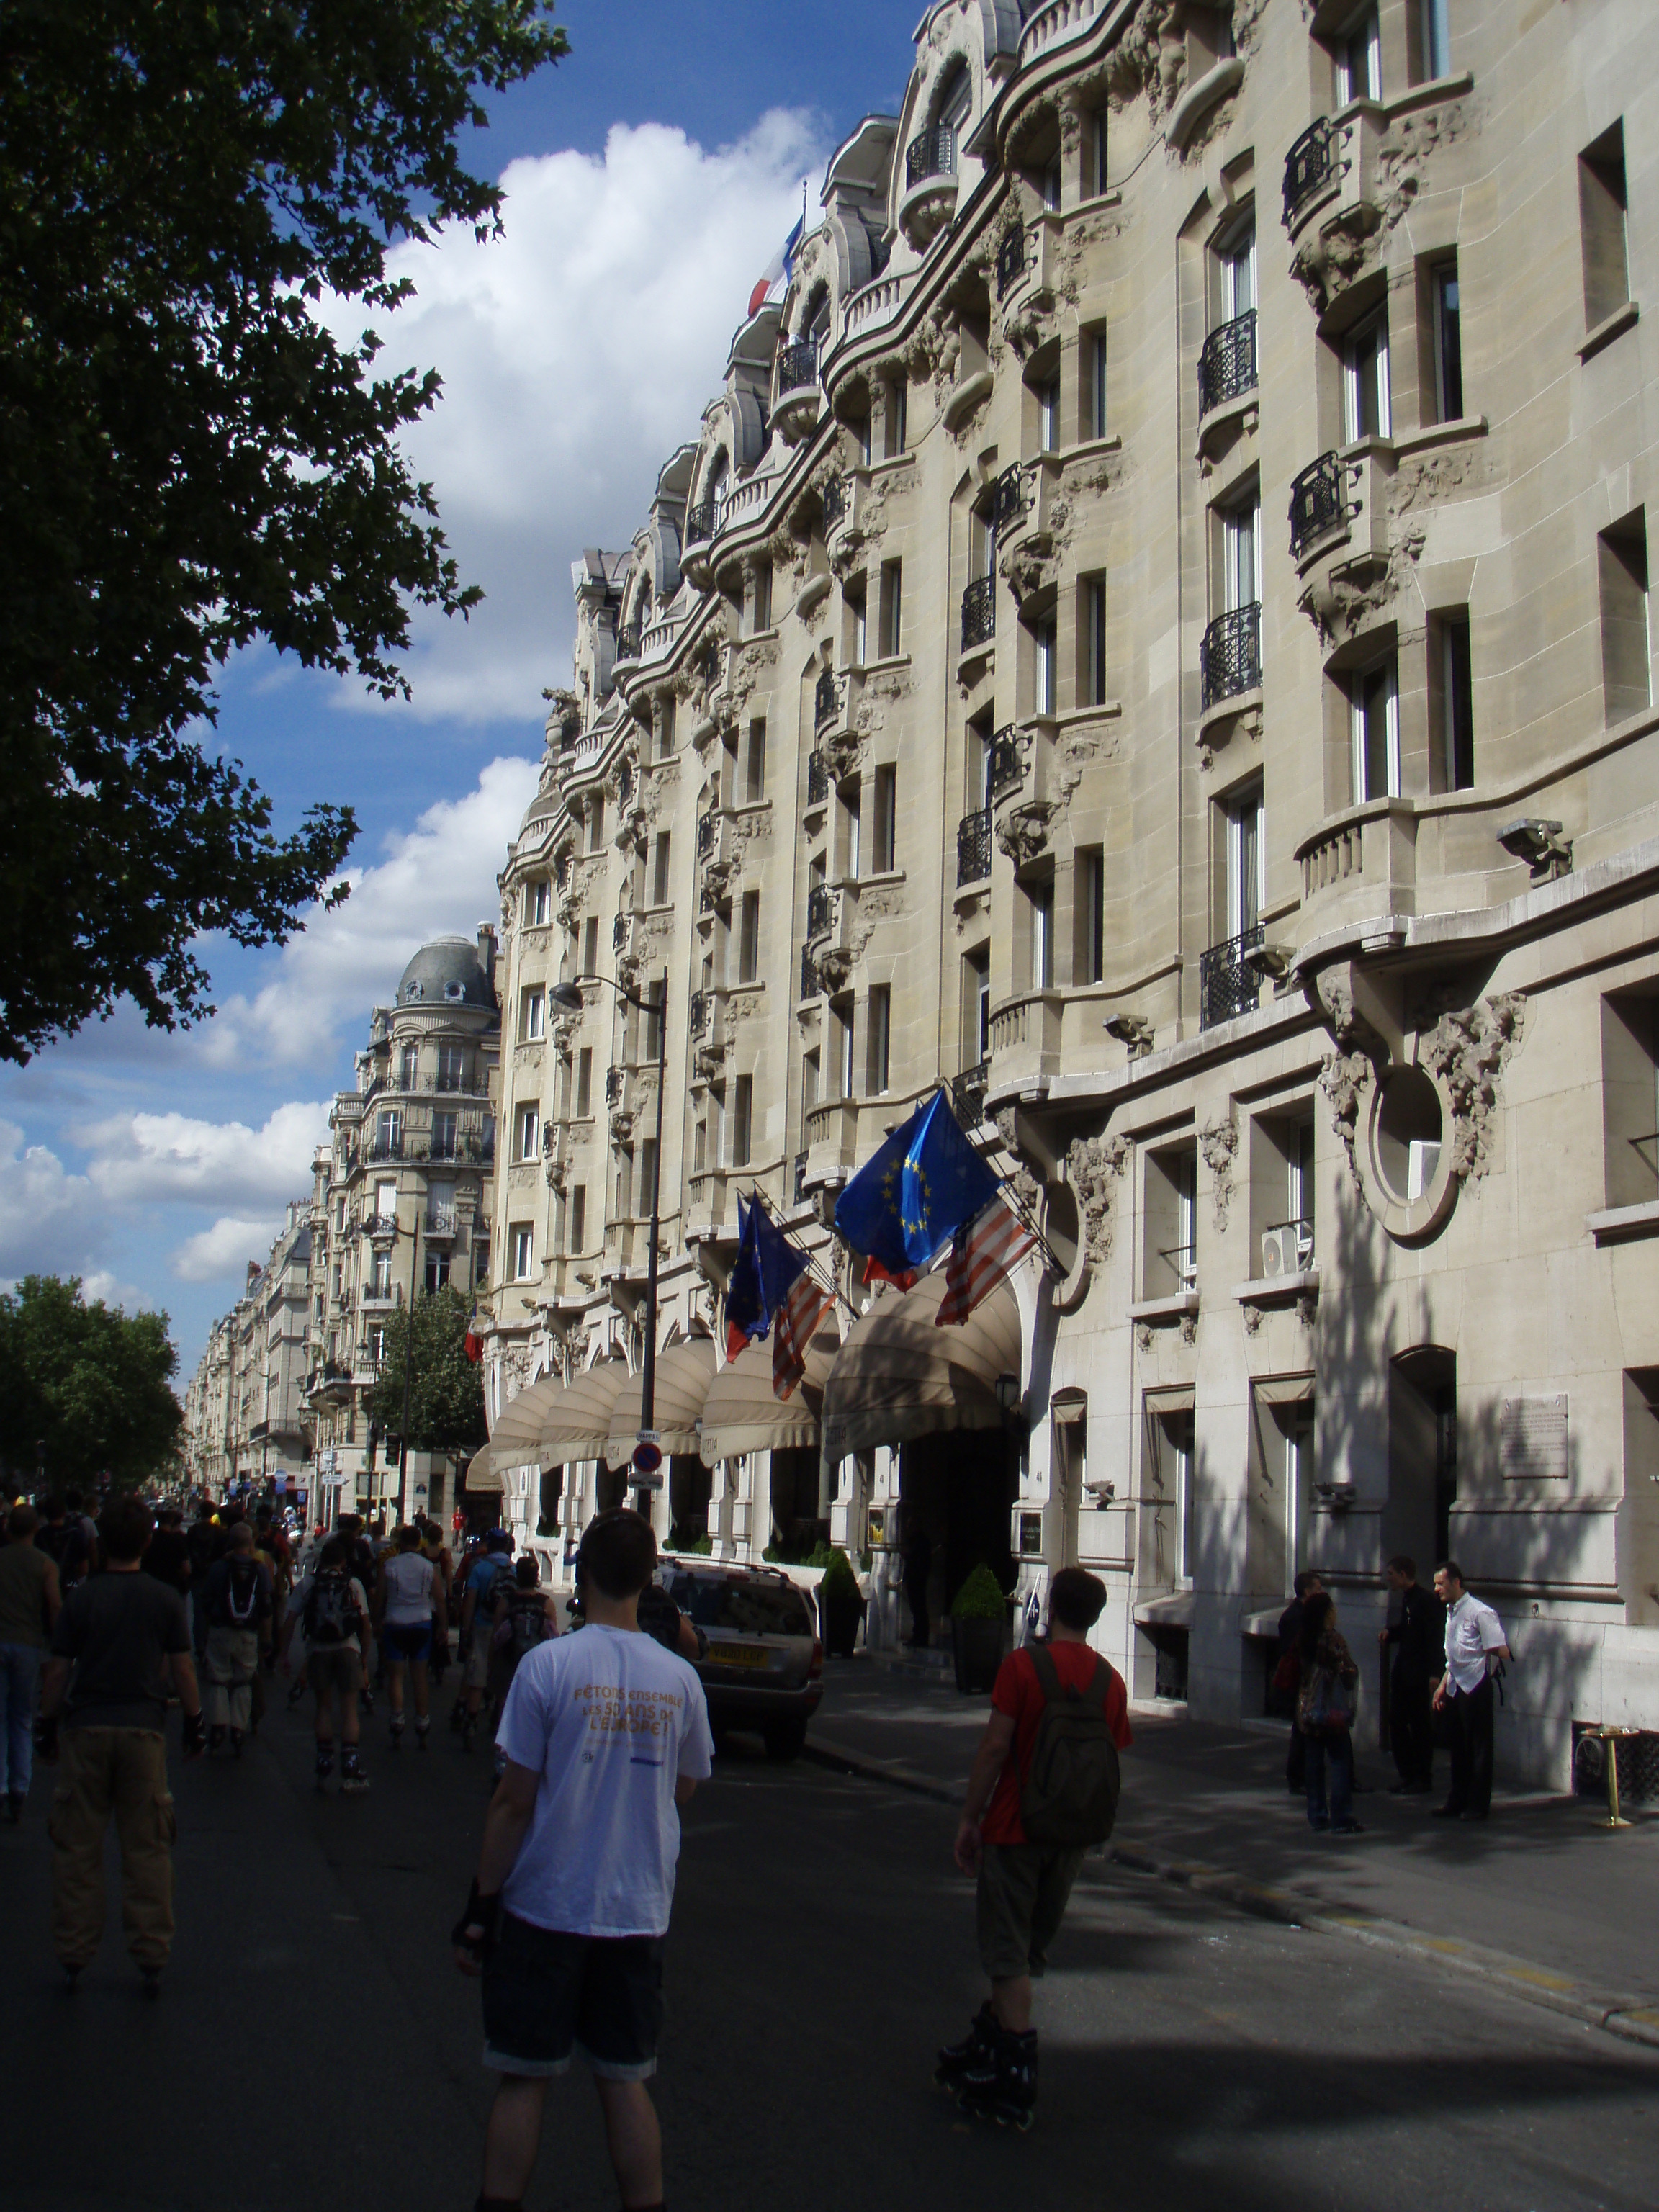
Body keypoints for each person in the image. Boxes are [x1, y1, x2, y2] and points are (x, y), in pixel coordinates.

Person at [453, 1509, 713, 2212]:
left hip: (546, 1903)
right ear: (648, 1579)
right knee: (626, 2079)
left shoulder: (548, 1667)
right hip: (636, 1907)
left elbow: (513, 1802)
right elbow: (685, 1786)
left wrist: (481, 1905)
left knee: (524, 2077)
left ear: (583, 1573)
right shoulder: (679, 1680)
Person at [939, 1567, 1131, 2131]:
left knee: (1007, 1955)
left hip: (1014, 1828)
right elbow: (1111, 1759)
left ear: (1050, 1607)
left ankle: (1014, 2074)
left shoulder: (1023, 1667)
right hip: (1070, 1836)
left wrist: (969, 1818)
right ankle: (986, 2044)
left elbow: (996, 1747)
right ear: (1094, 1616)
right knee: (1026, 1954)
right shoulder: (1111, 1682)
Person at [35, 1493, 204, 1991]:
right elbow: (183, 1668)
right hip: (143, 1730)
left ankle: (74, 1951)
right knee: (148, 1849)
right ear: (148, 1542)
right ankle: (150, 1952)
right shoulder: (163, 1599)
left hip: (86, 1728)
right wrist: (194, 1723)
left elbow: (59, 1669)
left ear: (99, 1543)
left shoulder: (82, 1598)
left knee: (78, 1849)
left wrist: (47, 1725)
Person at [280, 1534, 372, 1793]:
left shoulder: (309, 1583)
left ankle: (324, 1759)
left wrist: (283, 1655)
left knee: (323, 1705)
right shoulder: (353, 1584)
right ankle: (351, 1762)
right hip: (348, 1649)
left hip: (318, 1649)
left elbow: (290, 1621)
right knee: (349, 1707)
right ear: (344, 1561)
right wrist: (364, 1658)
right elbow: (365, 1625)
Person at [1431, 1560, 1509, 1822]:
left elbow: (1498, 1649)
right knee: (1458, 1746)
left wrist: (1485, 1671)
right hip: (1455, 1685)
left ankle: (1477, 1804)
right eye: (1435, 1584)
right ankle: (1457, 1798)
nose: (1436, 1589)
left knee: (1478, 1747)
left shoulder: (1480, 1612)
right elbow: (1452, 1657)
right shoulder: (1451, 1612)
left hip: (1475, 1685)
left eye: (1440, 1583)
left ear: (1456, 1582)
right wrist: (1442, 1686)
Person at [0, 1503, 63, 1821]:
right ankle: (20, 1787)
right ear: (35, 1530)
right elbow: (54, 1605)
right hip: (28, 1644)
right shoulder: (45, 1565)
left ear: (7, 1529)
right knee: (22, 1716)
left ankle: (0, 1784)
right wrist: (58, 1648)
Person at [194, 1524, 273, 1755]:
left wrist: (207, 1632)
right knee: (243, 1680)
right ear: (250, 1543)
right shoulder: (260, 1570)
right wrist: (266, 1639)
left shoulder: (218, 1568)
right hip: (248, 1633)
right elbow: (267, 1607)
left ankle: (218, 1724)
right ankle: (238, 1727)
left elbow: (206, 1602)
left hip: (221, 1629)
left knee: (218, 1677)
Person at [1296, 1591, 1362, 1835]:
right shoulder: (1332, 1639)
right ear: (1326, 1614)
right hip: (1331, 1710)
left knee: (1313, 1764)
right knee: (1339, 1760)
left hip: (1309, 1708)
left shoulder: (1304, 1638)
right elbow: (1347, 1671)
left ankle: (1317, 1815)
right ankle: (1341, 1816)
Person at [376, 1524, 448, 1750]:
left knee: (396, 1677)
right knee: (419, 1677)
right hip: (422, 1623)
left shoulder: (389, 1565)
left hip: (395, 1622)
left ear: (399, 1543)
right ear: (419, 1542)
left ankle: (397, 1720)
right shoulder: (428, 1567)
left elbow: (380, 1596)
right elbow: (439, 1598)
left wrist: (375, 1621)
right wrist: (443, 1626)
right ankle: (422, 1721)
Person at [1377, 1555, 1439, 1794]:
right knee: (1398, 1722)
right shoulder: (1408, 1600)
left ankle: (1422, 1776)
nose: (1388, 1578)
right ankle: (1408, 1773)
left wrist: (1435, 1672)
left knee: (1420, 1725)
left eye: (1391, 1573)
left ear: (1403, 1574)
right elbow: (1407, 1630)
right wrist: (1391, 1633)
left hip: (1418, 1674)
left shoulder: (1425, 1601)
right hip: (1404, 1672)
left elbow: (1433, 1638)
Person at [458, 1532, 516, 1750]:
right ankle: (499, 1724)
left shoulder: (480, 1568)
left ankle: (471, 1721)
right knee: (503, 1676)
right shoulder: (514, 1570)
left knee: (478, 1674)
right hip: (507, 1630)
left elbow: (470, 1600)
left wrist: (466, 1628)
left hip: (483, 1626)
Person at [1274, 1570, 1323, 1795]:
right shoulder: (1296, 1617)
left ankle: (1303, 1775)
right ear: (1308, 1591)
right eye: (1318, 1588)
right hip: (1302, 1682)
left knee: (1306, 1729)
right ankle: (1297, 1777)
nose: (1322, 1592)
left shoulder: (1305, 1615)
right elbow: (1296, 1651)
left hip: (1308, 1680)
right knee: (1302, 1729)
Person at [899, 1510, 932, 1651]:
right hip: (914, 1578)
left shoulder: (921, 1542)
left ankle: (921, 1637)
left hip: (918, 1578)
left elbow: (919, 1561)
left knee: (919, 1608)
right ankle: (917, 1636)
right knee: (915, 1608)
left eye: (910, 1525)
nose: (908, 1528)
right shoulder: (915, 1540)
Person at [143, 1506, 192, 1601]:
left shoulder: (149, 1539)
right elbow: (187, 1569)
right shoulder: (177, 1541)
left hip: (150, 1585)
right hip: (173, 1586)